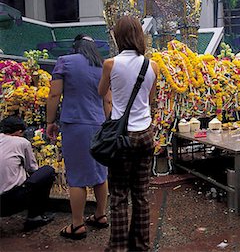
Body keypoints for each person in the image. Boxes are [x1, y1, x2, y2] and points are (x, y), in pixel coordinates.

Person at [98, 15, 159, 251]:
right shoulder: (152, 65)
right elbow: (150, 100)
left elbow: (101, 91)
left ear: (117, 36)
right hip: (144, 134)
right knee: (142, 195)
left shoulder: (110, 64)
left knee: (120, 194)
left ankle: (119, 247)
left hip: (121, 137)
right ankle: (141, 246)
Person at [46, 34, 110, 240]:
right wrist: (108, 124)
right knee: (100, 173)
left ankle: (77, 224)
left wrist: (50, 121)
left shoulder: (65, 62)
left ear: (76, 47)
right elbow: (107, 101)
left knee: (77, 177)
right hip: (99, 124)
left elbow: (54, 94)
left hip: (75, 124)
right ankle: (100, 215)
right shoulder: (102, 66)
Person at [0, 116, 55, 231]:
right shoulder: (22, 142)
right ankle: (34, 217)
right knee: (47, 172)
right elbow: (32, 168)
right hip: (9, 202)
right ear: (20, 131)